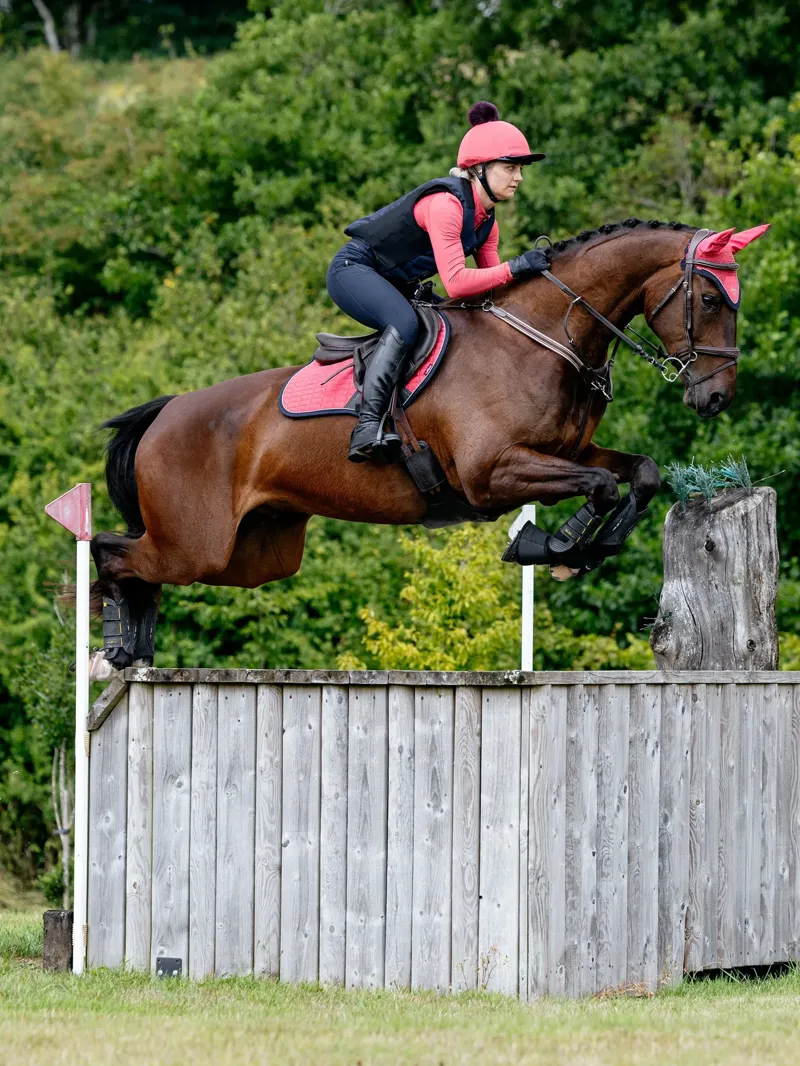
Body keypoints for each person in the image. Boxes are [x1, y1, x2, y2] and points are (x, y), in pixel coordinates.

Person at [327, 101, 549, 463]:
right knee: (405, 323)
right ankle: (366, 427)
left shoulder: (486, 222)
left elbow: (490, 294)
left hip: (393, 281)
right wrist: (516, 266)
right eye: (510, 167)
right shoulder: (446, 204)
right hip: (354, 269)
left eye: (519, 169)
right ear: (478, 169)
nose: (519, 177)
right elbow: (459, 284)